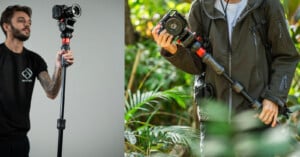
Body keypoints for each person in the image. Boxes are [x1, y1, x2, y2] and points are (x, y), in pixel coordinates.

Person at [152, 0, 299, 140]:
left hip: (255, 116)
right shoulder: (201, 7)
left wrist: (273, 98)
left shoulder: (267, 5)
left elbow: (286, 56)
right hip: (214, 122)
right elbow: (197, 65)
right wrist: (173, 50)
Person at [0, 5, 74, 157]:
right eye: (21, 21)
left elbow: (51, 92)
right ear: (6, 26)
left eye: (29, 22)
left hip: (20, 141)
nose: (27, 24)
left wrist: (58, 67)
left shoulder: (34, 60)